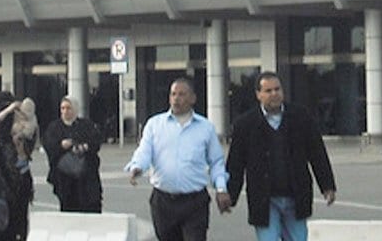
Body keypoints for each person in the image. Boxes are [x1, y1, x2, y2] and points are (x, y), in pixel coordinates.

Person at [225, 72, 337, 241]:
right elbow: (236, 164)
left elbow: (317, 153)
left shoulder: (301, 117)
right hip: (265, 200)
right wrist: (229, 195)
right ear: (258, 95)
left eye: (277, 89)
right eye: (268, 90)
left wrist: (327, 185)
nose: (274, 94)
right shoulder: (245, 125)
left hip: (295, 196)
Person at [126, 77, 230, 241]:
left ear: (193, 98)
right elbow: (144, 151)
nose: (176, 98)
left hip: (194, 202)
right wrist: (137, 166)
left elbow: (216, 162)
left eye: (182, 94)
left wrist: (221, 189)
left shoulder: (205, 128)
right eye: (173, 94)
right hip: (163, 202)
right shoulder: (155, 124)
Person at [43, 95, 104, 212]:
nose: (65, 111)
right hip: (65, 178)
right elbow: (49, 145)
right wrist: (61, 145)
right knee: (69, 208)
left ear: (75, 109)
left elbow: (96, 141)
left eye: (68, 108)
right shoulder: (55, 127)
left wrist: (85, 147)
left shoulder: (85, 125)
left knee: (91, 207)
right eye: (62, 108)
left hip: (87, 178)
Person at [0, 93, 36, 241]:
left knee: (20, 216)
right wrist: (9, 109)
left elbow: (31, 138)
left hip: (20, 174)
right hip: (4, 175)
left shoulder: (24, 126)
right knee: (7, 217)